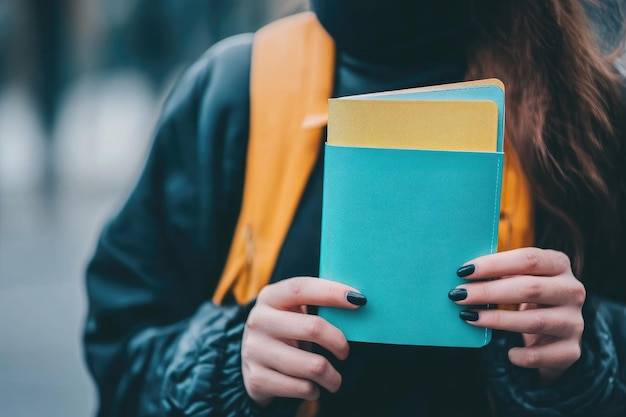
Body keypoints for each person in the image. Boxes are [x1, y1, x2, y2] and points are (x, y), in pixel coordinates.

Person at [83, 1, 626, 416]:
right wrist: (227, 364)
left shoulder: (593, 108)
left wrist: (590, 351)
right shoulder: (232, 90)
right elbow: (119, 349)